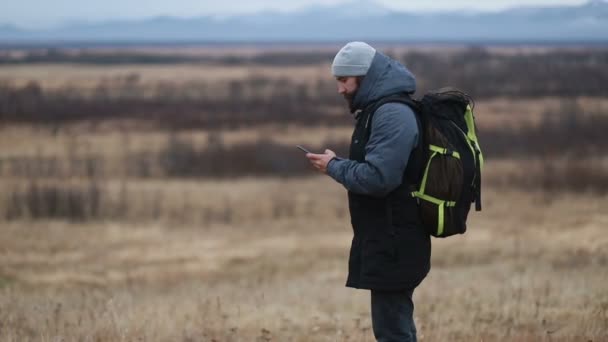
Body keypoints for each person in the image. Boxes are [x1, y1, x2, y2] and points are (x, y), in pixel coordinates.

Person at [306, 41, 430, 342]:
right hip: (389, 237)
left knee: (392, 332)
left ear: (364, 76)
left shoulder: (391, 114)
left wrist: (335, 166)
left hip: (395, 240)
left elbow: (378, 178)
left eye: (343, 80)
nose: (340, 89)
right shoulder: (378, 110)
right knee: (394, 327)